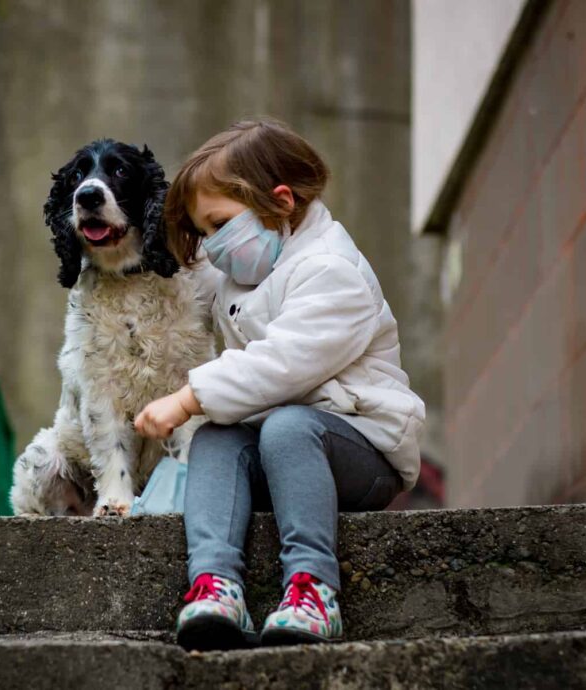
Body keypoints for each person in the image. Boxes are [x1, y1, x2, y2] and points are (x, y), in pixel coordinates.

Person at [133, 118, 425, 651]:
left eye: (219, 224)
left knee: (288, 427)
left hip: (362, 453)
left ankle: (313, 589)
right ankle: (215, 585)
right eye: (202, 233)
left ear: (282, 202)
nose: (212, 246)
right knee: (218, 436)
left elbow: (281, 364)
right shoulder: (239, 279)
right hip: (279, 451)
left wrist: (188, 397)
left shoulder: (332, 270)